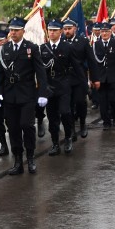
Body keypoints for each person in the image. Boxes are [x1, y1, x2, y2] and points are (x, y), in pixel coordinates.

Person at [0, 17, 49, 175]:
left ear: (23, 32)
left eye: (16, 30)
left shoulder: (31, 48)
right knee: (13, 129)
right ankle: (18, 160)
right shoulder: (4, 49)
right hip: (9, 95)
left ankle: (31, 158)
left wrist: (42, 93)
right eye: (11, 30)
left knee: (27, 125)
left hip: (27, 94)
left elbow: (40, 73)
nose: (13, 33)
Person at [40, 19, 84, 156]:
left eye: (54, 30)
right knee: (52, 118)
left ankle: (68, 137)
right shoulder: (42, 48)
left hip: (64, 84)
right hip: (49, 86)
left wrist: (84, 85)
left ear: (60, 32)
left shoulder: (68, 47)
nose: (51, 33)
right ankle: (54, 143)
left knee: (65, 112)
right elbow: (40, 71)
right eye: (50, 30)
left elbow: (77, 67)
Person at [62, 18, 99, 140]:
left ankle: (82, 123)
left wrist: (94, 79)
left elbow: (91, 61)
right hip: (65, 78)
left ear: (75, 29)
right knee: (68, 106)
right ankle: (72, 128)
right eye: (65, 29)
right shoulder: (61, 42)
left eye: (69, 29)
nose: (67, 31)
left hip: (79, 77)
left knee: (80, 102)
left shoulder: (82, 41)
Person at [92, 22, 115, 130]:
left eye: (106, 31)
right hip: (101, 78)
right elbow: (93, 63)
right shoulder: (96, 45)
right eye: (102, 31)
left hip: (113, 76)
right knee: (103, 101)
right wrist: (94, 79)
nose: (104, 33)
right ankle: (106, 121)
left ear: (110, 32)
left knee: (113, 99)